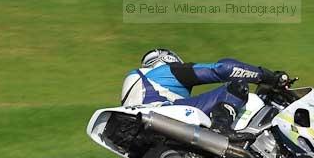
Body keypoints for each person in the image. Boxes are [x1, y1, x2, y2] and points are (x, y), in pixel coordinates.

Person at [120, 47, 289, 131]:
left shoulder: (133, 91)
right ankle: (221, 130)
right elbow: (224, 69)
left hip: (138, 134)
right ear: (169, 59)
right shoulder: (165, 71)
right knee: (237, 83)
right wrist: (269, 77)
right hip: (163, 114)